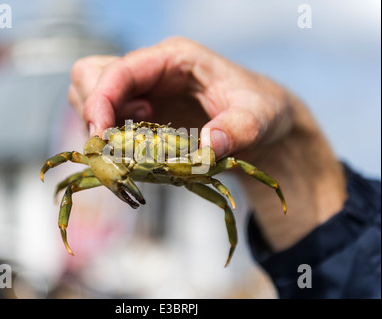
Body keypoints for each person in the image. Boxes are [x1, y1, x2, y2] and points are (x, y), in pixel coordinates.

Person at [67, 37, 381, 298]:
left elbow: (230, 165)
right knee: (73, 181)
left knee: (225, 195)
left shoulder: (194, 152)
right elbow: (88, 152)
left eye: (159, 135)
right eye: (139, 133)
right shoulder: (116, 145)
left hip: (185, 168)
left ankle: (232, 246)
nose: (149, 139)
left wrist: (274, 153)